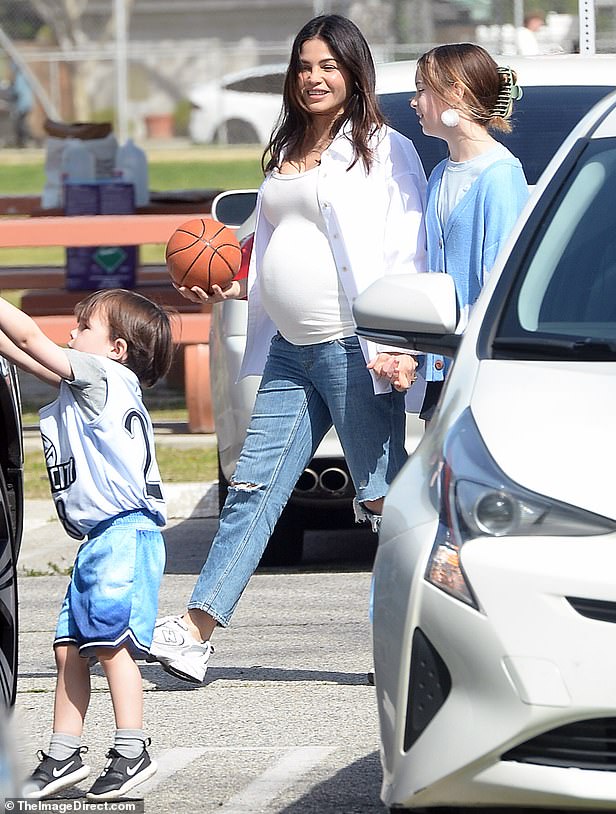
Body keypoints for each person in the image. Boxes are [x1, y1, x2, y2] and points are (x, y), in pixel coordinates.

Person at [149, 13, 427, 684]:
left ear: (354, 72)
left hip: (356, 349)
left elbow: (407, 246)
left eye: (328, 65)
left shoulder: (385, 149)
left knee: (384, 503)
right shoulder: (284, 149)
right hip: (290, 351)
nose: (314, 77)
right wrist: (230, 282)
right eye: (304, 66)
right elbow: (272, 247)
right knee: (252, 491)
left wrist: (400, 342)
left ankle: (416, 645)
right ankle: (194, 632)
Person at [0, 289, 174, 800]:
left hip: (124, 533)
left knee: (110, 645)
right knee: (68, 649)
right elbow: (28, 355)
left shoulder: (103, 378)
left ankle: (131, 750)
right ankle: (63, 753)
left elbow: (31, 336)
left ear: (116, 349)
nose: (71, 334)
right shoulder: (91, 384)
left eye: (83, 327)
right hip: (103, 538)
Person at [409, 43, 529, 419]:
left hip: (478, 371)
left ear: (456, 92)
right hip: (441, 365)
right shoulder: (439, 174)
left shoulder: (501, 176)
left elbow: (500, 281)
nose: (415, 102)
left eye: (421, 89)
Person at [9, 62, 33, 148]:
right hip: (26, 104)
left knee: (21, 124)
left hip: (23, 105)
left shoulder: (20, 77)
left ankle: (25, 142)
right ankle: (23, 142)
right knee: (22, 123)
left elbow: (17, 92)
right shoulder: (23, 76)